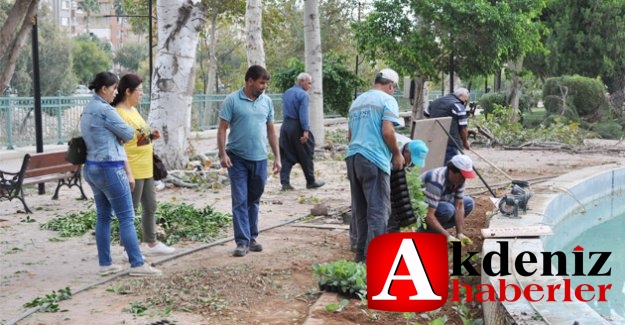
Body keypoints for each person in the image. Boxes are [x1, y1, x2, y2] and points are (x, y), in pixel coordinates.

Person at [80, 72, 161, 276]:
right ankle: (137, 264)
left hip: (91, 167)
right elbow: (128, 133)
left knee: (103, 217)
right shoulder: (106, 110)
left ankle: (105, 264)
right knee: (126, 217)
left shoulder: (88, 108)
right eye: (113, 88)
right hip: (111, 167)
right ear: (104, 89)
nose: (115, 92)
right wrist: (119, 135)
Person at [217, 65, 281, 257]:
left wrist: (277, 156)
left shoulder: (267, 102)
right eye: (261, 82)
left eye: (266, 84)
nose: (264, 87)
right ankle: (242, 241)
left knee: (254, 199)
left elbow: (271, 130)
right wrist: (222, 154)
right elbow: (222, 129)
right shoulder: (232, 100)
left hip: (260, 159)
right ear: (250, 81)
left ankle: (252, 238)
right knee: (240, 200)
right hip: (236, 159)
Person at [111, 73, 175, 257]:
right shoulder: (118, 113)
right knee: (130, 209)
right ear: (128, 91)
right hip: (132, 168)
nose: (142, 94)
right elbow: (123, 141)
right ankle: (127, 247)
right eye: (139, 90)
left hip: (146, 168)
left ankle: (151, 242)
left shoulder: (134, 110)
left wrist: (149, 136)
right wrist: (144, 138)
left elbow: (138, 137)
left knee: (151, 206)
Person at [345, 68, 405, 262]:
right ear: (390, 85)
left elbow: (349, 136)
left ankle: (361, 258)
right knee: (379, 212)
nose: (393, 91)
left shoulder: (357, 101)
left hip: (353, 159)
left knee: (360, 211)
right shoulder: (388, 100)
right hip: (373, 159)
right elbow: (388, 132)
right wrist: (396, 154)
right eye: (393, 88)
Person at [348, 134, 429, 246]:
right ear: (406, 152)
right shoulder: (391, 147)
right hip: (365, 160)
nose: (411, 164)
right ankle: (356, 239)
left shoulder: (411, 145)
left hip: (377, 161)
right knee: (363, 202)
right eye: (411, 160)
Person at [279, 72, 325, 191]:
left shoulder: (287, 92)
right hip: (297, 125)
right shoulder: (303, 95)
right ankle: (310, 181)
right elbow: (303, 114)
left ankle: (285, 183)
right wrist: (305, 130)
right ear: (302, 81)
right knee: (306, 152)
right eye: (309, 83)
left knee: (287, 154)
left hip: (285, 126)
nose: (310, 86)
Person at [419, 154, 476, 245]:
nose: (464, 179)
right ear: (452, 171)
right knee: (448, 210)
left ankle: (437, 230)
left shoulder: (459, 180)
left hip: (439, 203)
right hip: (421, 211)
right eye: (462, 176)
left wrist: (460, 233)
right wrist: (447, 236)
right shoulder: (435, 181)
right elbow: (428, 214)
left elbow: (459, 205)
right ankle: (424, 231)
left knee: (468, 203)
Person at [426, 87, 471, 163]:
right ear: (460, 96)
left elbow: (426, 113)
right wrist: (465, 142)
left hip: (435, 140)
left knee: (436, 164)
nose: (465, 103)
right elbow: (463, 128)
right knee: (449, 166)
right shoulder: (458, 106)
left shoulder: (435, 102)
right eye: (465, 100)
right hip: (451, 142)